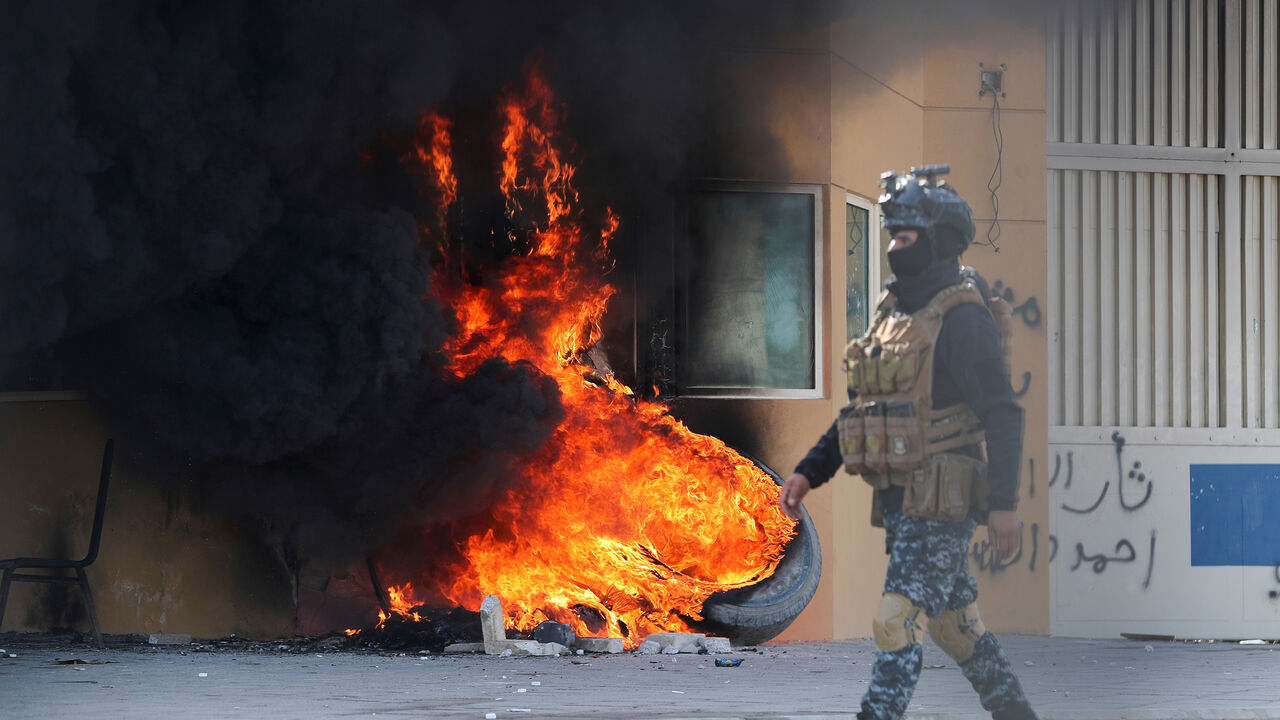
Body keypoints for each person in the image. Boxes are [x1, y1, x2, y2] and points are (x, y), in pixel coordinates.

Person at [778, 165, 1038, 720]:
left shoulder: (963, 321)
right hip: (902, 499)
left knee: (893, 620)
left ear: (938, 241)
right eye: (891, 237)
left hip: (943, 502)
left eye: (906, 237)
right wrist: (809, 470)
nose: (894, 248)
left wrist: (1004, 505)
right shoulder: (892, 316)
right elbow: (864, 411)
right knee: (955, 626)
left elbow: (1003, 414)